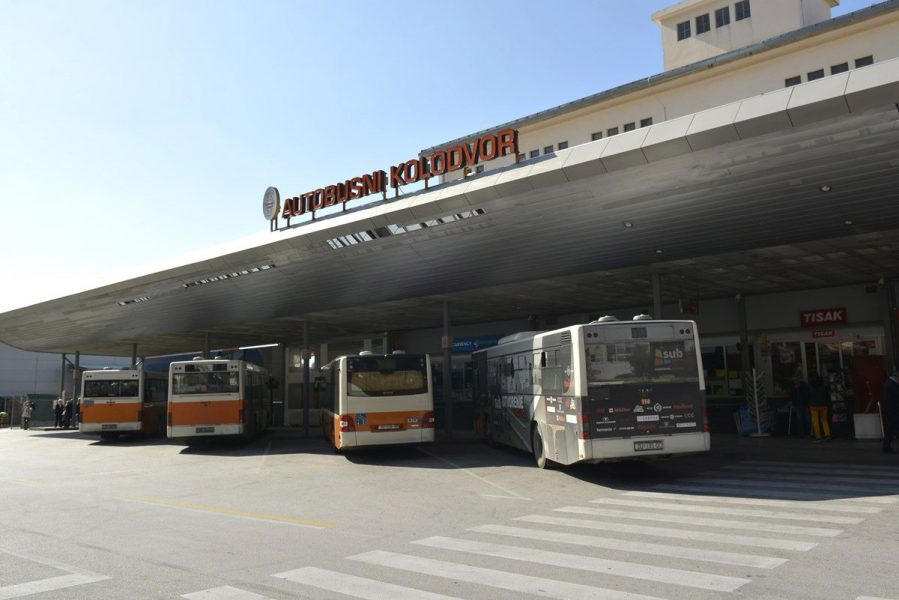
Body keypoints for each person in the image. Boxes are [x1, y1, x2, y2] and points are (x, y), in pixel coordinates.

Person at [881, 367, 899, 454]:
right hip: (893, 410)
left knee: (891, 428)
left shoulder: (890, 383)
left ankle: (887, 446)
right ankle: (886, 446)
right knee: (891, 428)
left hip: (892, 410)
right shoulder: (891, 384)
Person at [808, 375, 831, 441]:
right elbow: (827, 395)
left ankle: (818, 436)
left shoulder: (810, 387)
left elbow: (809, 396)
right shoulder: (824, 387)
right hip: (823, 405)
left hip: (814, 406)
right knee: (824, 420)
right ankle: (827, 435)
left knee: (815, 421)